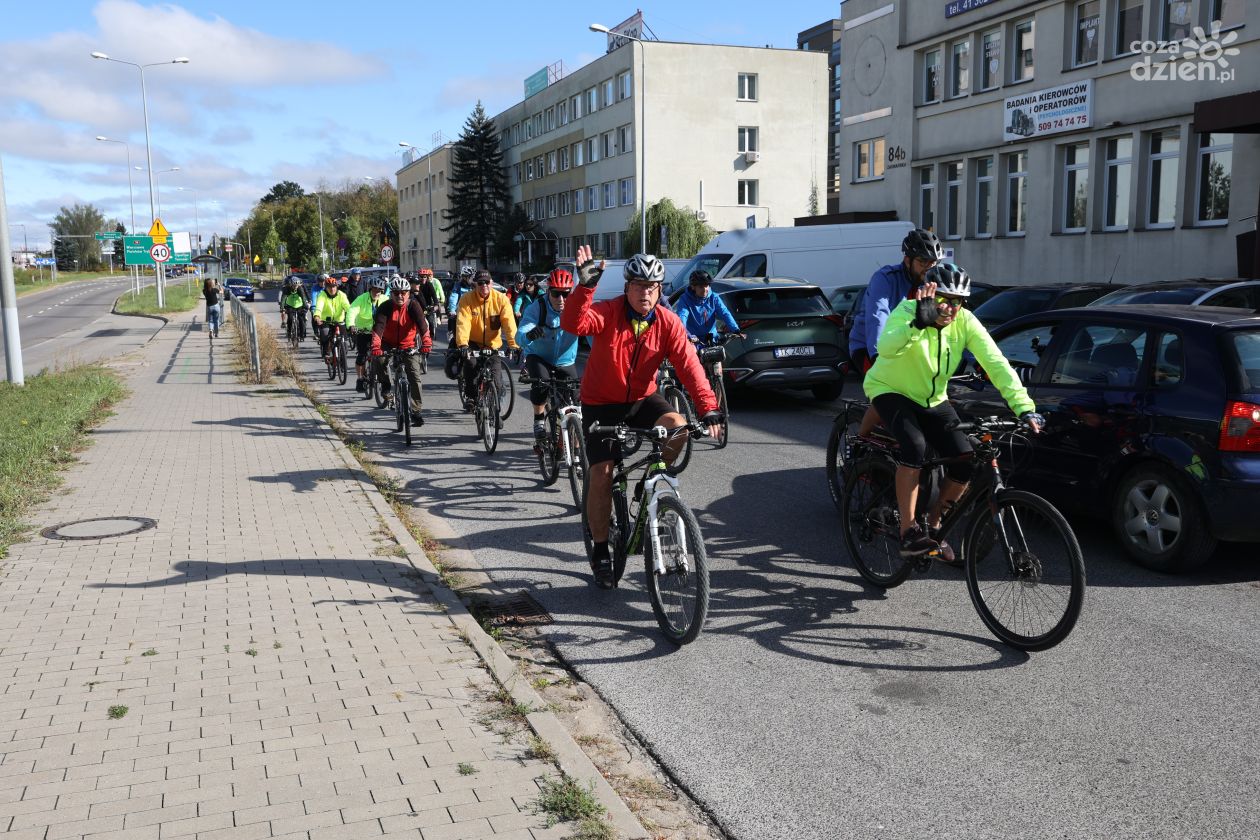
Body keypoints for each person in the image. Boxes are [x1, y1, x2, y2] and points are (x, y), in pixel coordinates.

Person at [561, 245, 722, 589]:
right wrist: (585, 287)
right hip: (601, 402)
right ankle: (601, 550)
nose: (645, 293)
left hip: (641, 398)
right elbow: (574, 323)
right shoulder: (608, 312)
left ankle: (651, 476)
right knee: (602, 474)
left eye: (651, 287)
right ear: (627, 287)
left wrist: (708, 407)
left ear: (659, 289)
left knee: (678, 427)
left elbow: (690, 366)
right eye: (638, 285)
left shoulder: (667, 322)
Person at [863, 262, 1043, 562]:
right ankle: (909, 532)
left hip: (933, 398)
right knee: (915, 447)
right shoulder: (908, 311)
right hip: (891, 389)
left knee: (966, 460)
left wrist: (1024, 407)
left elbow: (996, 362)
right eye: (943, 299)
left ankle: (933, 528)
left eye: (958, 301)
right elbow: (886, 348)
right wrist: (917, 325)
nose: (949, 308)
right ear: (928, 294)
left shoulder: (966, 322)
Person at [849, 228, 945, 436]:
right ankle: (859, 442)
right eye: (923, 262)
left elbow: (951, 321)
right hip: (869, 347)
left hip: (908, 348)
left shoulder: (933, 283)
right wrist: (878, 355)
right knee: (888, 392)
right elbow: (878, 317)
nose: (928, 268)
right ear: (907, 259)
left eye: (932, 263)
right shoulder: (885, 278)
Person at [516, 268, 580, 449]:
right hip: (539, 356)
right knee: (541, 383)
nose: (561, 299)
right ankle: (538, 420)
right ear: (548, 291)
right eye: (556, 293)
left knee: (574, 405)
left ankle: (577, 452)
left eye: (565, 294)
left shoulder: (576, 308)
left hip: (565, 360)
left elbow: (593, 335)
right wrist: (529, 335)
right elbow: (520, 334)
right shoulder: (537, 307)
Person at [454, 269, 520, 409]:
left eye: (487, 282)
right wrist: (463, 344)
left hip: (492, 344)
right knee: (471, 365)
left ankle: (494, 407)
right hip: (472, 342)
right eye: (480, 283)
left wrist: (513, 345)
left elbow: (509, 324)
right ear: (475, 284)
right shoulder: (466, 299)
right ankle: (471, 397)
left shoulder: (501, 299)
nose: (484, 285)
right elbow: (463, 323)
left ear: (491, 283)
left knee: (497, 381)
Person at [370, 276, 430, 426]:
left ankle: (416, 411)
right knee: (379, 360)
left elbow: (422, 325)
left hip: (408, 344)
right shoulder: (385, 307)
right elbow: (379, 327)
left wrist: (426, 342)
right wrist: (376, 346)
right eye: (396, 293)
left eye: (403, 293)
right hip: (387, 343)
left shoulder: (413, 306)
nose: (400, 296)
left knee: (415, 376)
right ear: (391, 294)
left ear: (408, 293)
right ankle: (385, 387)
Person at [674, 269, 745, 377]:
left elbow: (724, 313)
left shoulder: (714, 297)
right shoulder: (685, 299)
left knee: (717, 370)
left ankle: (718, 385)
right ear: (693, 287)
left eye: (707, 286)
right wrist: (686, 335)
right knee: (696, 371)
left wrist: (735, 329)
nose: (705, 289)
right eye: (701, 286)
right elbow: (682, 317)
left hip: (711, 339)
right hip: (694, 340)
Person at [347, 275, 388, 392]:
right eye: (374, 290)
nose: (377, 293)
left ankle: (383, 376)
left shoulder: (385, 299)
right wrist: (351, 325)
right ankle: (360, 378)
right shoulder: (361, 298)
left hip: (379, 332)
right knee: (362, 356)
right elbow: (352, 311)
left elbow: (393, 313)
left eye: (379, 291)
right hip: (363, 330)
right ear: (370, 289)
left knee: (383, 355)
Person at [311, 273, 350, 364]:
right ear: (326, 287)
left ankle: (341, 359)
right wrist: (317, 316)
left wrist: (352, 315)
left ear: (336, 287)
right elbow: (319, 307)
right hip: (326, 321)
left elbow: (347, 307)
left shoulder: (341, 295)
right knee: (325, 334)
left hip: (339, 320)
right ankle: (326, 353)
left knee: (345, 344)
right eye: (329, 287)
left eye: (334, 287)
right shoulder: (322, 295)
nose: (332, 289)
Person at [280, 276, 308, 341]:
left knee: (301, 319)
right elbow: (283, 299)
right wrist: (282, 308)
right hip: (290, 305)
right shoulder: (287, 289)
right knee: (290, 318)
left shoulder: (300, 288)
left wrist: (305, 306)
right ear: (291, 285)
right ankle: (289, 333)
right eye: (294, 286)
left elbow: (303, 298)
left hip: (299, 305)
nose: (296, 287)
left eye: (297, 285)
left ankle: (301, 335)